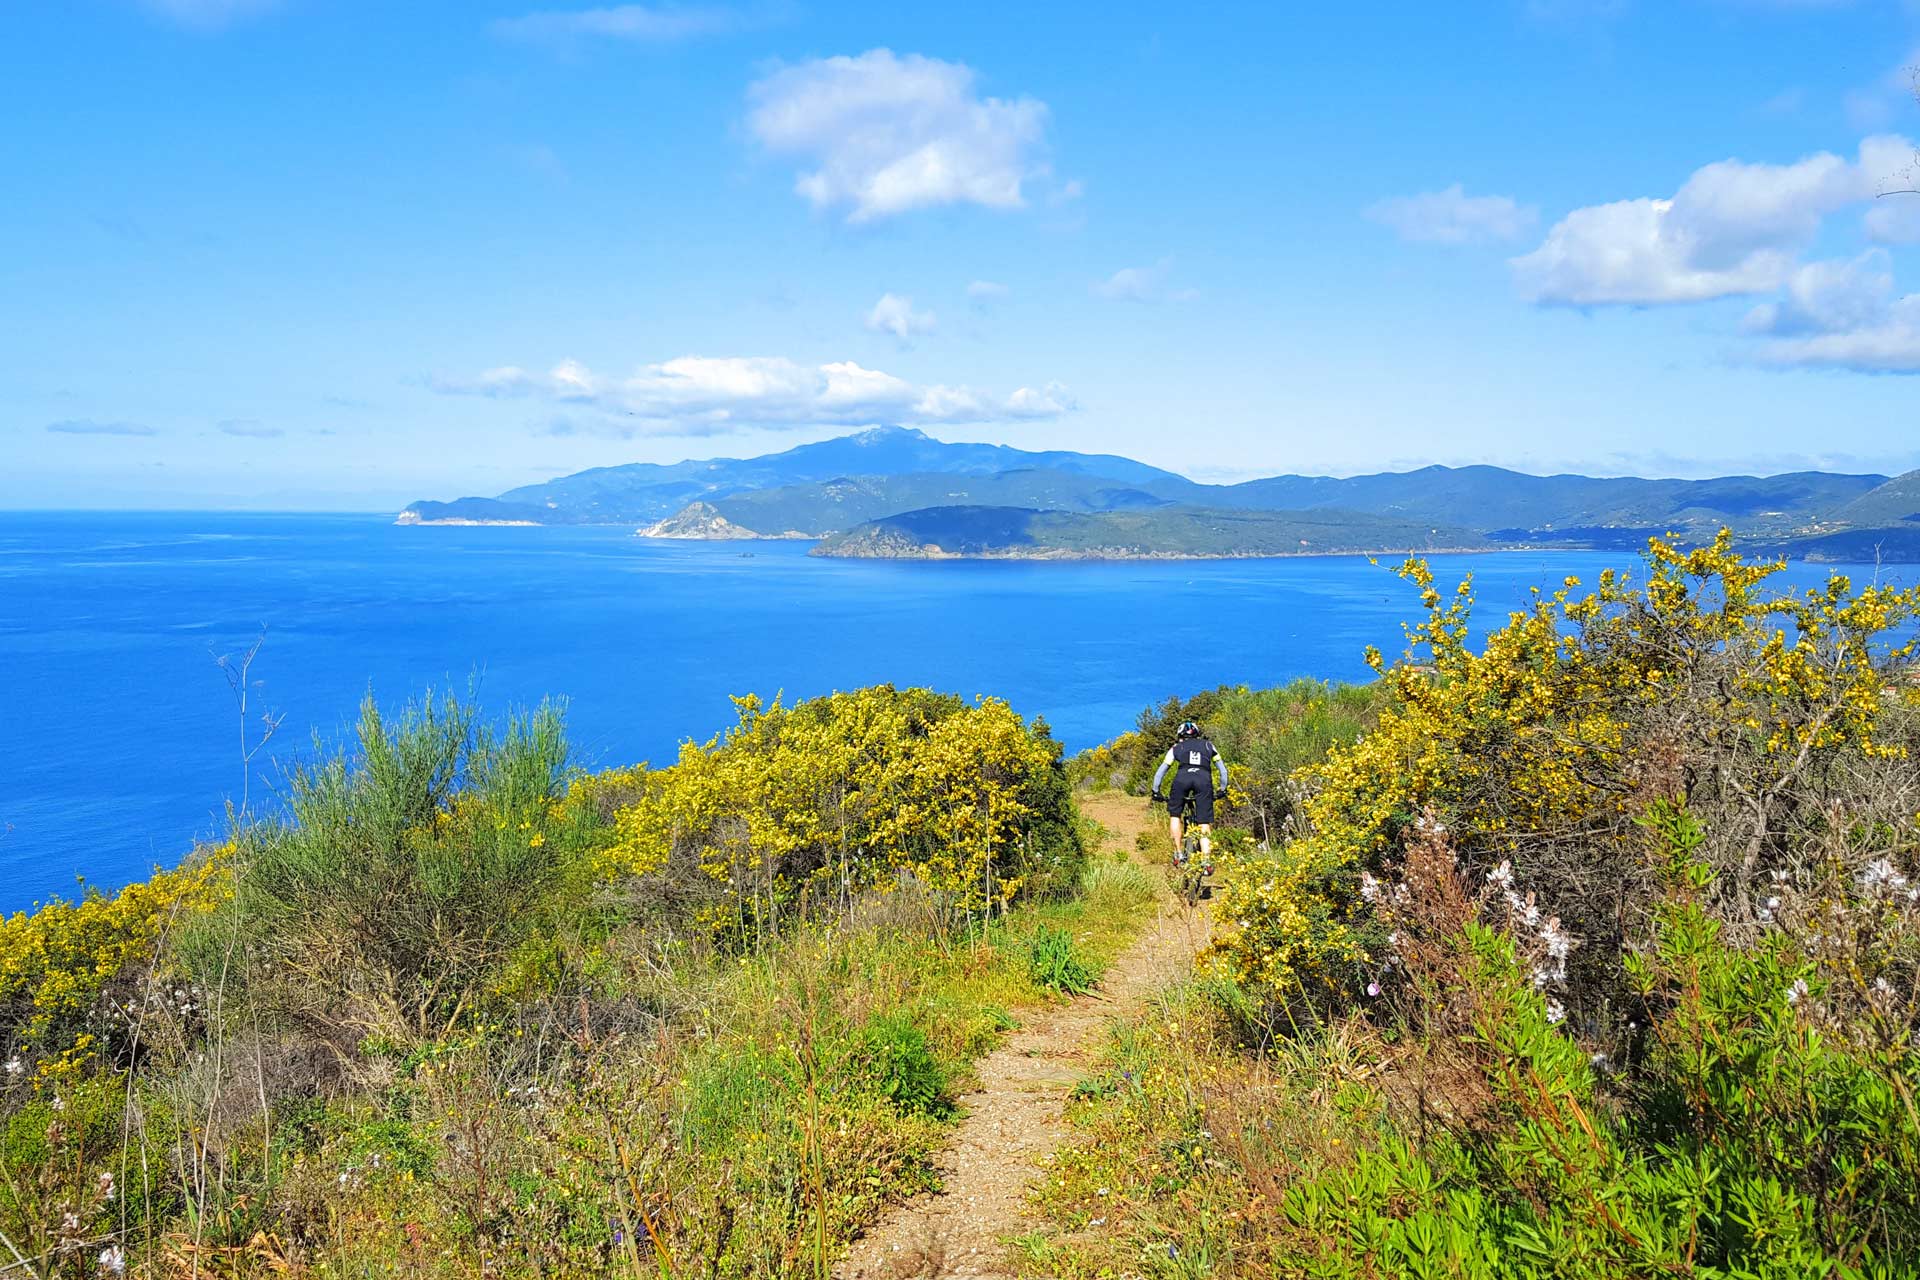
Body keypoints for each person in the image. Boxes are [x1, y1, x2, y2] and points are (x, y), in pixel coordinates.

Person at [1150, 720, 1229, 873]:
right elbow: (1223, 770)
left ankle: (1179, 854)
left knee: (1175, 815)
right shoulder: (1208, 745)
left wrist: (1156, 791)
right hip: (1203, 781)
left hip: (1182, 780)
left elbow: (1161, 771)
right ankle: (1206, 862)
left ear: (1180, 736)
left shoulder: (1176, 748)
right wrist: (1222, 788)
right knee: (1204, 822)